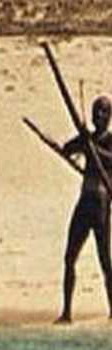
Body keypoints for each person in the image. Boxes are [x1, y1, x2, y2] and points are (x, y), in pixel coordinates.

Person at [56, 96, 112, 324]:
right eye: (96, 111)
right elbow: (67, 149)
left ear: (109, 117)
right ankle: (67, 312)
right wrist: (83, 140)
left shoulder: (109, 141)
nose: (99, 116)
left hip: (101, 203)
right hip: (85, 202)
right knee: (70, 257)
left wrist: (93, 149)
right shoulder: (87, 138)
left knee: (105, 260)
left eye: (103, 112)